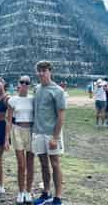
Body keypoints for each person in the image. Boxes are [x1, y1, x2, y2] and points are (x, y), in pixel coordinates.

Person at [32, 61, 66, 205]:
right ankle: (46, 192)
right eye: (39, 70)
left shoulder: (57, 90)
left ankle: (58, 196)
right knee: (43, 164)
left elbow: (61, 116)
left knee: (55, 164)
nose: (41, 73)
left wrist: (55, 137)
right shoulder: (37, 88)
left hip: (51, 133)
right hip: (38, 132)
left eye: (44, 70)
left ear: (50, 71)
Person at [6, 75, 34, 204]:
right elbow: (9, 120)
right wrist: (7, 138)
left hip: (31, 131)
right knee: (21, 165)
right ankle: (21, 191)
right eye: (22, 82)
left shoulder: (33, 99)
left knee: (30, 164)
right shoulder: (12, 100)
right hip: (17, 130)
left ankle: (28, 191)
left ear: (29, 85)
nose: (24, 84)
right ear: (18, 84)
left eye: (27, 82)